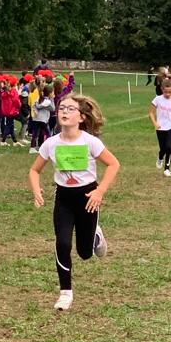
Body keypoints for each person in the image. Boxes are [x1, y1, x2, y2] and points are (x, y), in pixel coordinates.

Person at [28, 95, 120, 312]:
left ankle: (95, 236)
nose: (64, 112)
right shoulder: (51, 144)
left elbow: (113, 164)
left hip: (88, 199)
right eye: (62, 108)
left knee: (85, 253)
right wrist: (36, 189)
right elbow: (34, 170)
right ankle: (65, 293)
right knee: (62, 243)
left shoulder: (90, 142)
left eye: (70, 109)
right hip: (64, 200)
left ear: (81, 117)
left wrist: (100, 191)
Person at [148, 78, 171, 177]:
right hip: (160, 127)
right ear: (162, 89)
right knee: (163, 148)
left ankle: (167, 169)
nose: (168, 94)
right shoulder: (157, 99)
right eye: (166, 92)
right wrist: (155, 123)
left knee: (169, 147)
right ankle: (160, 157)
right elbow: (150, 113)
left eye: (170, 92)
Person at [29, 85, 54, 152]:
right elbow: (53, 108)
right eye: (53, 92)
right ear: (50, 93)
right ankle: (50, 147)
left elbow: (35, 105)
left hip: (36, 119)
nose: (53, 94)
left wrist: (36, 110)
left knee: (35, 134)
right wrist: (52, 99)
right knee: (48, 133)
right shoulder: (47, 101)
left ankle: (32, 148)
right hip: (43, 120)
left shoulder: (39, 98)